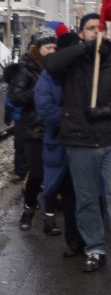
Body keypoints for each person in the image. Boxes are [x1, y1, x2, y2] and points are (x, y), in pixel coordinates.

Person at [43, 13, 111, 274]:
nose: (95, 33)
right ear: (81, 32)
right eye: (89, 29)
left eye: (99, 29)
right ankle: (95, 248)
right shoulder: (71, 62)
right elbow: (51, 64)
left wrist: (106, 110)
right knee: (86, 199)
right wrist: (83, 48)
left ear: (107, 33)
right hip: (79, 141)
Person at [35, 30, 85, 257]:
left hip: (86, 144)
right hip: (62, 144)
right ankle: (74, 241)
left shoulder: (86, 72)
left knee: (89, 195)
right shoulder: (49, 76)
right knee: (70, 197)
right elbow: (45, 108)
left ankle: (93, 241)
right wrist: (73, 118)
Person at [11, 27, 60, 233]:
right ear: (37, 48)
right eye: (48, 47)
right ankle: (29, 209)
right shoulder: (25, 68)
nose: (52, 51)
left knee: (53, 175)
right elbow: (16, 97)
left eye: (54, 47)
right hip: (32, 130)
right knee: (37, 174)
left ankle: (49, 218)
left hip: (54, 129)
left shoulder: (58, 67)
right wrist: (40, 89)